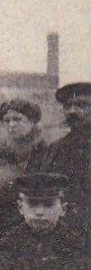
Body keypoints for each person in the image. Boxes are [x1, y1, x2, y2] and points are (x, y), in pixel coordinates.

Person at [37, 81, 91, 246]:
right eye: (68, 106)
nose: (73, 111)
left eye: (82, 105)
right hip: (68, 233)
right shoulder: (57, 148)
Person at [0, 98, 47, 168]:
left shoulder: (45, 151)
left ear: (32, 121)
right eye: (7, 121)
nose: (11, 125)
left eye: (17, 119)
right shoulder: (3, 152)